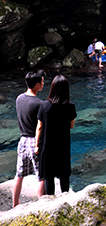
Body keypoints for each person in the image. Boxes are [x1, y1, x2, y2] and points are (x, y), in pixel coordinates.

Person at [35, 74, 76, 196]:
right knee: (64, 175)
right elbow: (71, 126)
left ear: (52, 88)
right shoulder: (70, 106)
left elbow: (39, 127)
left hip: (47, 145)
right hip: (62, 145)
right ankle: (65, 199)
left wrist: (37, 145)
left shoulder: (44, 105)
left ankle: (51, 201)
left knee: (48, 176)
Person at [13, 70, 46, 207]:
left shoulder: (19, 98)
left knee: (19, 175)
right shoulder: (40, 104)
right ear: (37, 85)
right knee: (41, 176)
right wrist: (39, 144)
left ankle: (15, 204)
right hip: (34, 141)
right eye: (43, 82)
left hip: (22, 140)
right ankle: (41, 206)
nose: (44, 83)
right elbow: (39, 127)